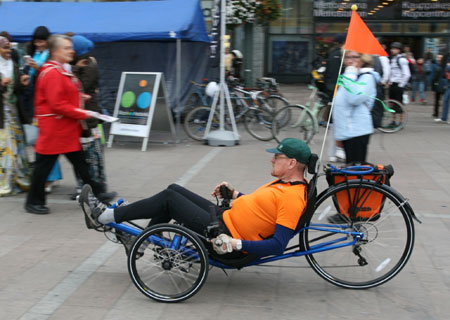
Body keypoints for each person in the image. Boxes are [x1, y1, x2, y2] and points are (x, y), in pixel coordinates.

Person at [79, 138, 311, 257]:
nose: (272, 160)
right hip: (225, 217)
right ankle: (139, 244)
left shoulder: (293, 197)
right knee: (174, 188)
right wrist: (235, 194)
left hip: (226, 232)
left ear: (291, 163)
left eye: (277, 157)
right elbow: (263, 209)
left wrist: (234, 243)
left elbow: (278, 245)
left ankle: (104, 216)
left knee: (169, 198)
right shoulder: (285, 183)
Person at [25, 34, 116, 215]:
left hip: (63, 128)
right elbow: (57, 104)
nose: (71, 50)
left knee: (80, 163)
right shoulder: (53, 72)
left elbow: (62, 97)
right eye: (67, 48)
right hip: (55, 128)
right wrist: (83, 111)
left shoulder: (59, 70)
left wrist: (81, 98)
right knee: (44, 167)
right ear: (55, 51)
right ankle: (33, 201)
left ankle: (97, 192)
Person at [70, 35, 111, 200]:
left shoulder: (88, 65)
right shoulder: (82, 64)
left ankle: (94, 189)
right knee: (84, 155)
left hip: (89, 117)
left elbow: (80, 86)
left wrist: (74, 69)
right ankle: (87, 187)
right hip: (83, 116)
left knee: (91, 156)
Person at [333, 51, 379, 164]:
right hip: (347, 130)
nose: (350, 60)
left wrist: (349, 76)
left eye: (355, 57)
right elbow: (340, 105)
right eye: (347, 57)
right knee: (350, 169)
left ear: (363, 59)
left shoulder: (367, 78)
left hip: (358, 131)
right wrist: (339, 135)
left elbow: (354, 98)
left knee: (355, 169)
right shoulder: (350, 76)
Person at [0, 36, 32, 196]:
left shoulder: (12, 65)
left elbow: (17, 90)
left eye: (8, 48)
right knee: (5, 148)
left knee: (17, 147)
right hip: (2, 115)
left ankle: (18, 179)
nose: (8, 51)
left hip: (13, 113)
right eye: (4, 48)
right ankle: (4, 182)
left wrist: (23, 83)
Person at [389, 42, 411, 126]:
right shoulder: (393, 59)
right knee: (392, 104)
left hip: (398, 84)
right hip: (392, 84)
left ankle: (401, 122)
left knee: (399, 104)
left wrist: (401, 85)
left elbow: (407, 74)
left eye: (395, 49)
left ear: (399, 50)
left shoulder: (401, 60)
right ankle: (393, 121)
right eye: (392, 48)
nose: (392, 50)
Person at [432, 54, 445, 118]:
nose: (438, 58)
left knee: (441, 100)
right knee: (437, 100)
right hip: (439, 84)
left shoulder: (441, 66)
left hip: (441, 84)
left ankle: (438, 113)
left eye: (440, 57)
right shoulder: (437, 65)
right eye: (438, 57)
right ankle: (436, 112)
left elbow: (436, 76)